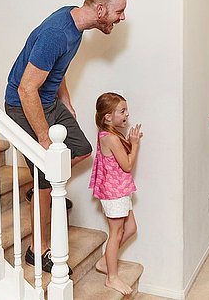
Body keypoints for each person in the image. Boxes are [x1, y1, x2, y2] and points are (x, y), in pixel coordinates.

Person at [4, 0, 128, 273]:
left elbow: (56, 69)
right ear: (100, 10)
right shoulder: (57, 33)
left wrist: (66, 100)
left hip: (48, 100)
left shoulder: (75, 24)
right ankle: (39, 249)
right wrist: (45, 140)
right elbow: (25, 89)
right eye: (118, 11)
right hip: (23, 105)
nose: (122, 17)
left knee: (83, 148)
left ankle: (42, 186)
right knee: (47, 177)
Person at [89, 92, 141, 295]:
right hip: (114, 193)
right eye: (122, 111)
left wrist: (128, 142)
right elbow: (127, 165)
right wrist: (135, 145)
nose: (127, 114)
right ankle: (112, 278)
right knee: (116, 233)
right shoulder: (110, 137)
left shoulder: (109, 134)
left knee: (131, 228)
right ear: (108, 117)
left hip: (119, 190)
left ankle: (104, 262)